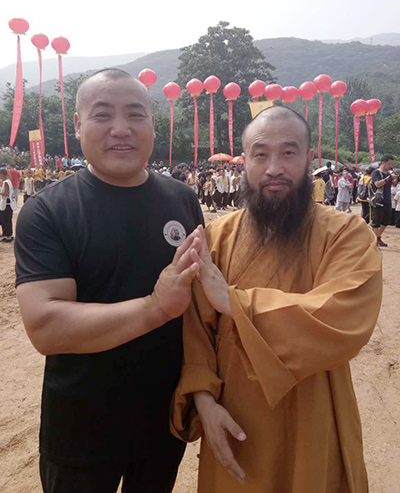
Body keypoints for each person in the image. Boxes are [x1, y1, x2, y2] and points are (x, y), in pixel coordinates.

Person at [171, 106, 382, 492]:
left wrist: (235, 303)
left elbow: (344, 315)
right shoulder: (216, 237)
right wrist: (204, 401)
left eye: (288, 153)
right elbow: (195, 333)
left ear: (308, 159)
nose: (274, 168)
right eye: (261, 154)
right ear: (245, 160)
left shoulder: (346, 233)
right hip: (235, 419)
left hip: (314, 413)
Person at [15, 69, 204, 493]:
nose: (121, 129)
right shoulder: (48, 213)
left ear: (152, 125)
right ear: (79, 125)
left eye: (135, 114)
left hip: (162, 423)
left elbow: (200, 302)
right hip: (81, 431)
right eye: (103, 115)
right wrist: (155, 307)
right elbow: (46, 327)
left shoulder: (182, 199)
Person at [370, 154, 396, 247]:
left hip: (387, 200)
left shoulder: (388, 174)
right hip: (378, 201)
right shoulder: (376, 173)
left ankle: (378, 237)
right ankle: (373, 240)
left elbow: (392, 184)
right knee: (376, 222)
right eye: (389, 164)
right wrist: (387, 178)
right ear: (383, 163)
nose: (391, 166)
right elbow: (377, 184)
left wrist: (395, 179)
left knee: (386, 221)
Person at [0, 168, 18, 242]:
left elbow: (5, 193)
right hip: (7, 203)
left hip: (7, 203)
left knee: (6, 219)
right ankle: (5, 233)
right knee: (4, 219)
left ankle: (8, 235)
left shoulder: (6, 182)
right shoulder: (7, 181)